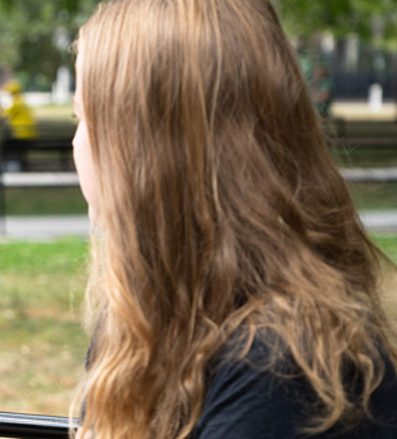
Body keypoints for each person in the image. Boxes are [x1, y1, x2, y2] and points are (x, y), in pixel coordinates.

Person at [69, 1, 397, 438]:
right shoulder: (149, 324)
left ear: (141, 152)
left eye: (81, 119)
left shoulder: (276, 367)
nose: (76, 145)